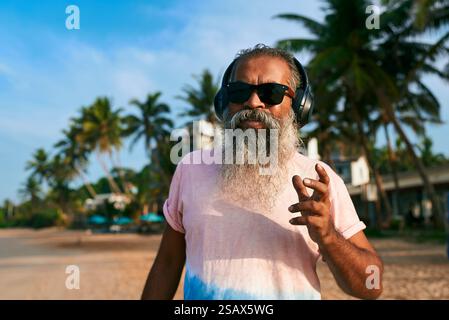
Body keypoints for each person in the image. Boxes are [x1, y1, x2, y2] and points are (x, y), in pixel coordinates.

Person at [141, 44, 383, 300]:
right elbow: (167, 264)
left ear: (299, 105)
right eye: (239, 91)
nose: (253, 102)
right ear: (225, 101)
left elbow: (371, 285)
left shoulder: (319, 180)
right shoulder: (190, 170)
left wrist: (328, 236)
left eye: (271, 92)